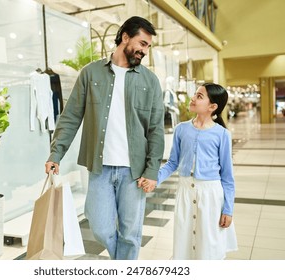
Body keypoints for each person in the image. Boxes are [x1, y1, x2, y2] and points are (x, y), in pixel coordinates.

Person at [45, 16, 165, 260]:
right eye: (142, 43)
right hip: (100, 168)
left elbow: (155, 129)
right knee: (100, 227)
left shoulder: (149, 81)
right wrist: (55, 154)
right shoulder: (90, 74)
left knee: (131, 234)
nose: (144, 51)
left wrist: (152, 170)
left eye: (148, 47)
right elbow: (71, 117)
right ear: (125, 37)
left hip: (135, 171)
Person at [143, 83, 238, 259]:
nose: (193, 98)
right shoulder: (181, 129)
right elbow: (172, 163)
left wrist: (228, 209)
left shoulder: (222, 134)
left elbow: (227, 177)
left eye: (199, 96)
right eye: (195, 94)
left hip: (211, 196)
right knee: (185, 242)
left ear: (213, 107)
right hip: (185, 192)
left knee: (208, 245)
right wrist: (154, 179)